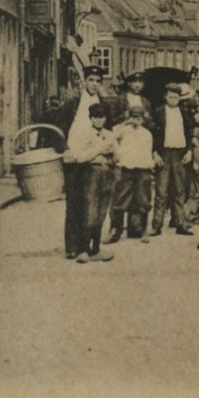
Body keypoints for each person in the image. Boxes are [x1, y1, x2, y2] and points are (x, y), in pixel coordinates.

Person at [58, 64, 110, 260]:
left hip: (94, 160)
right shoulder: (72, 104)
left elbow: (108, 129)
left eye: (98, 81)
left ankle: (88, 246)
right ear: (84, 81)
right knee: (74, 202)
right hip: (74, 158)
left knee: (92, 202)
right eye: (91, 80)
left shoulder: (103, 104)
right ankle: (72, 246)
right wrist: (65, 149)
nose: (94, 84)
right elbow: (57, 128)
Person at [67, 102, 116, 264]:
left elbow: (118, 157)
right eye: (95, 117)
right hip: (91, 174)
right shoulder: (84, 135)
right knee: (90, 209)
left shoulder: (110, 134)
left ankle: (96, 248)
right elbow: (80, 157)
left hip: (107, 173)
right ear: (90, 118)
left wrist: (113, 153)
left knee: (102, 210)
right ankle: (83, 249)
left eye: (101, 117)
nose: (99, 121)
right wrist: (99, 150)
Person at [107, 104, 157, 243]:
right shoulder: (123, 131)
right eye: (134, 118)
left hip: (142, 169)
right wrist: (117, 152)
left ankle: (143, 231)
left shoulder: (147, 133)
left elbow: (148, 152)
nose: (137, 121)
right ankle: (115, 231)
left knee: (143, 199)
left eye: (139, 118)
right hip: (126, 169)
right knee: (120, 199)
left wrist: (150, 167)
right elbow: (111, 137)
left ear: (143, 119)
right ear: (130, 118)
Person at [151, 83, 194, 236]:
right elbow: (153, 135)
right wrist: (155, 153)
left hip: (179, 154)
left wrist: (189, 151)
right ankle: (156, 225)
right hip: (164, 154)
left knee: (180, 190)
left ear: (179, 98)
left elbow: (190, 133)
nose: (173, 99)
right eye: (170, 97)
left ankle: (181, 223)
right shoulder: (159, 112)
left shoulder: (184, 112)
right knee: (161, 190)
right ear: (165, 97)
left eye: (176, 97)